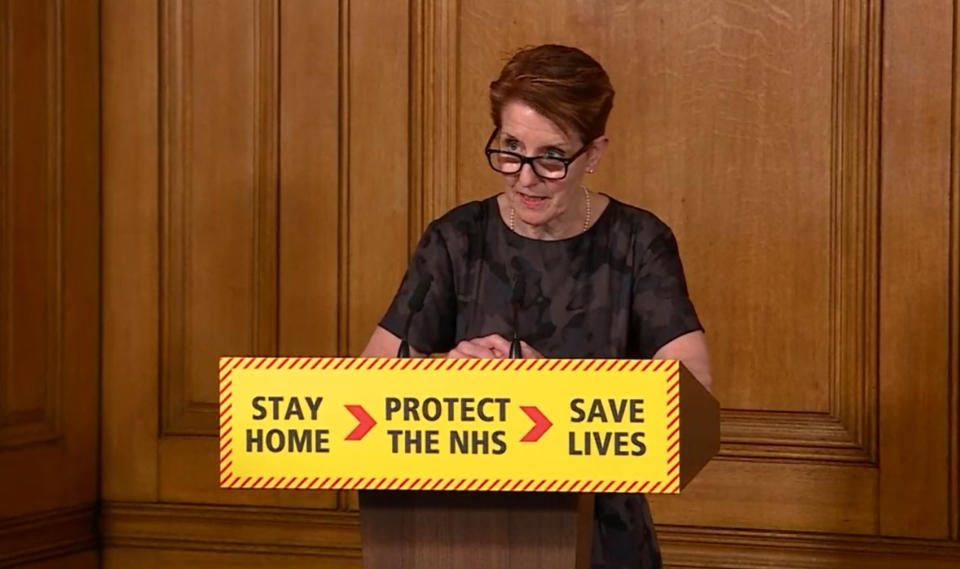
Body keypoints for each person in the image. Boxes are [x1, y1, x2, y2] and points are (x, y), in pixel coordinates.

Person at [362, 44, 712, 569]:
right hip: (459, 537)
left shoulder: (639, 241)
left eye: (551, 158)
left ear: (593, 153)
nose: (524, 177)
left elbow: (694, 404)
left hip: (601, 536)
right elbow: (366, 386)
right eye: (510, 149)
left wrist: (552, 388)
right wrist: (445, 375)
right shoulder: (456, 238)